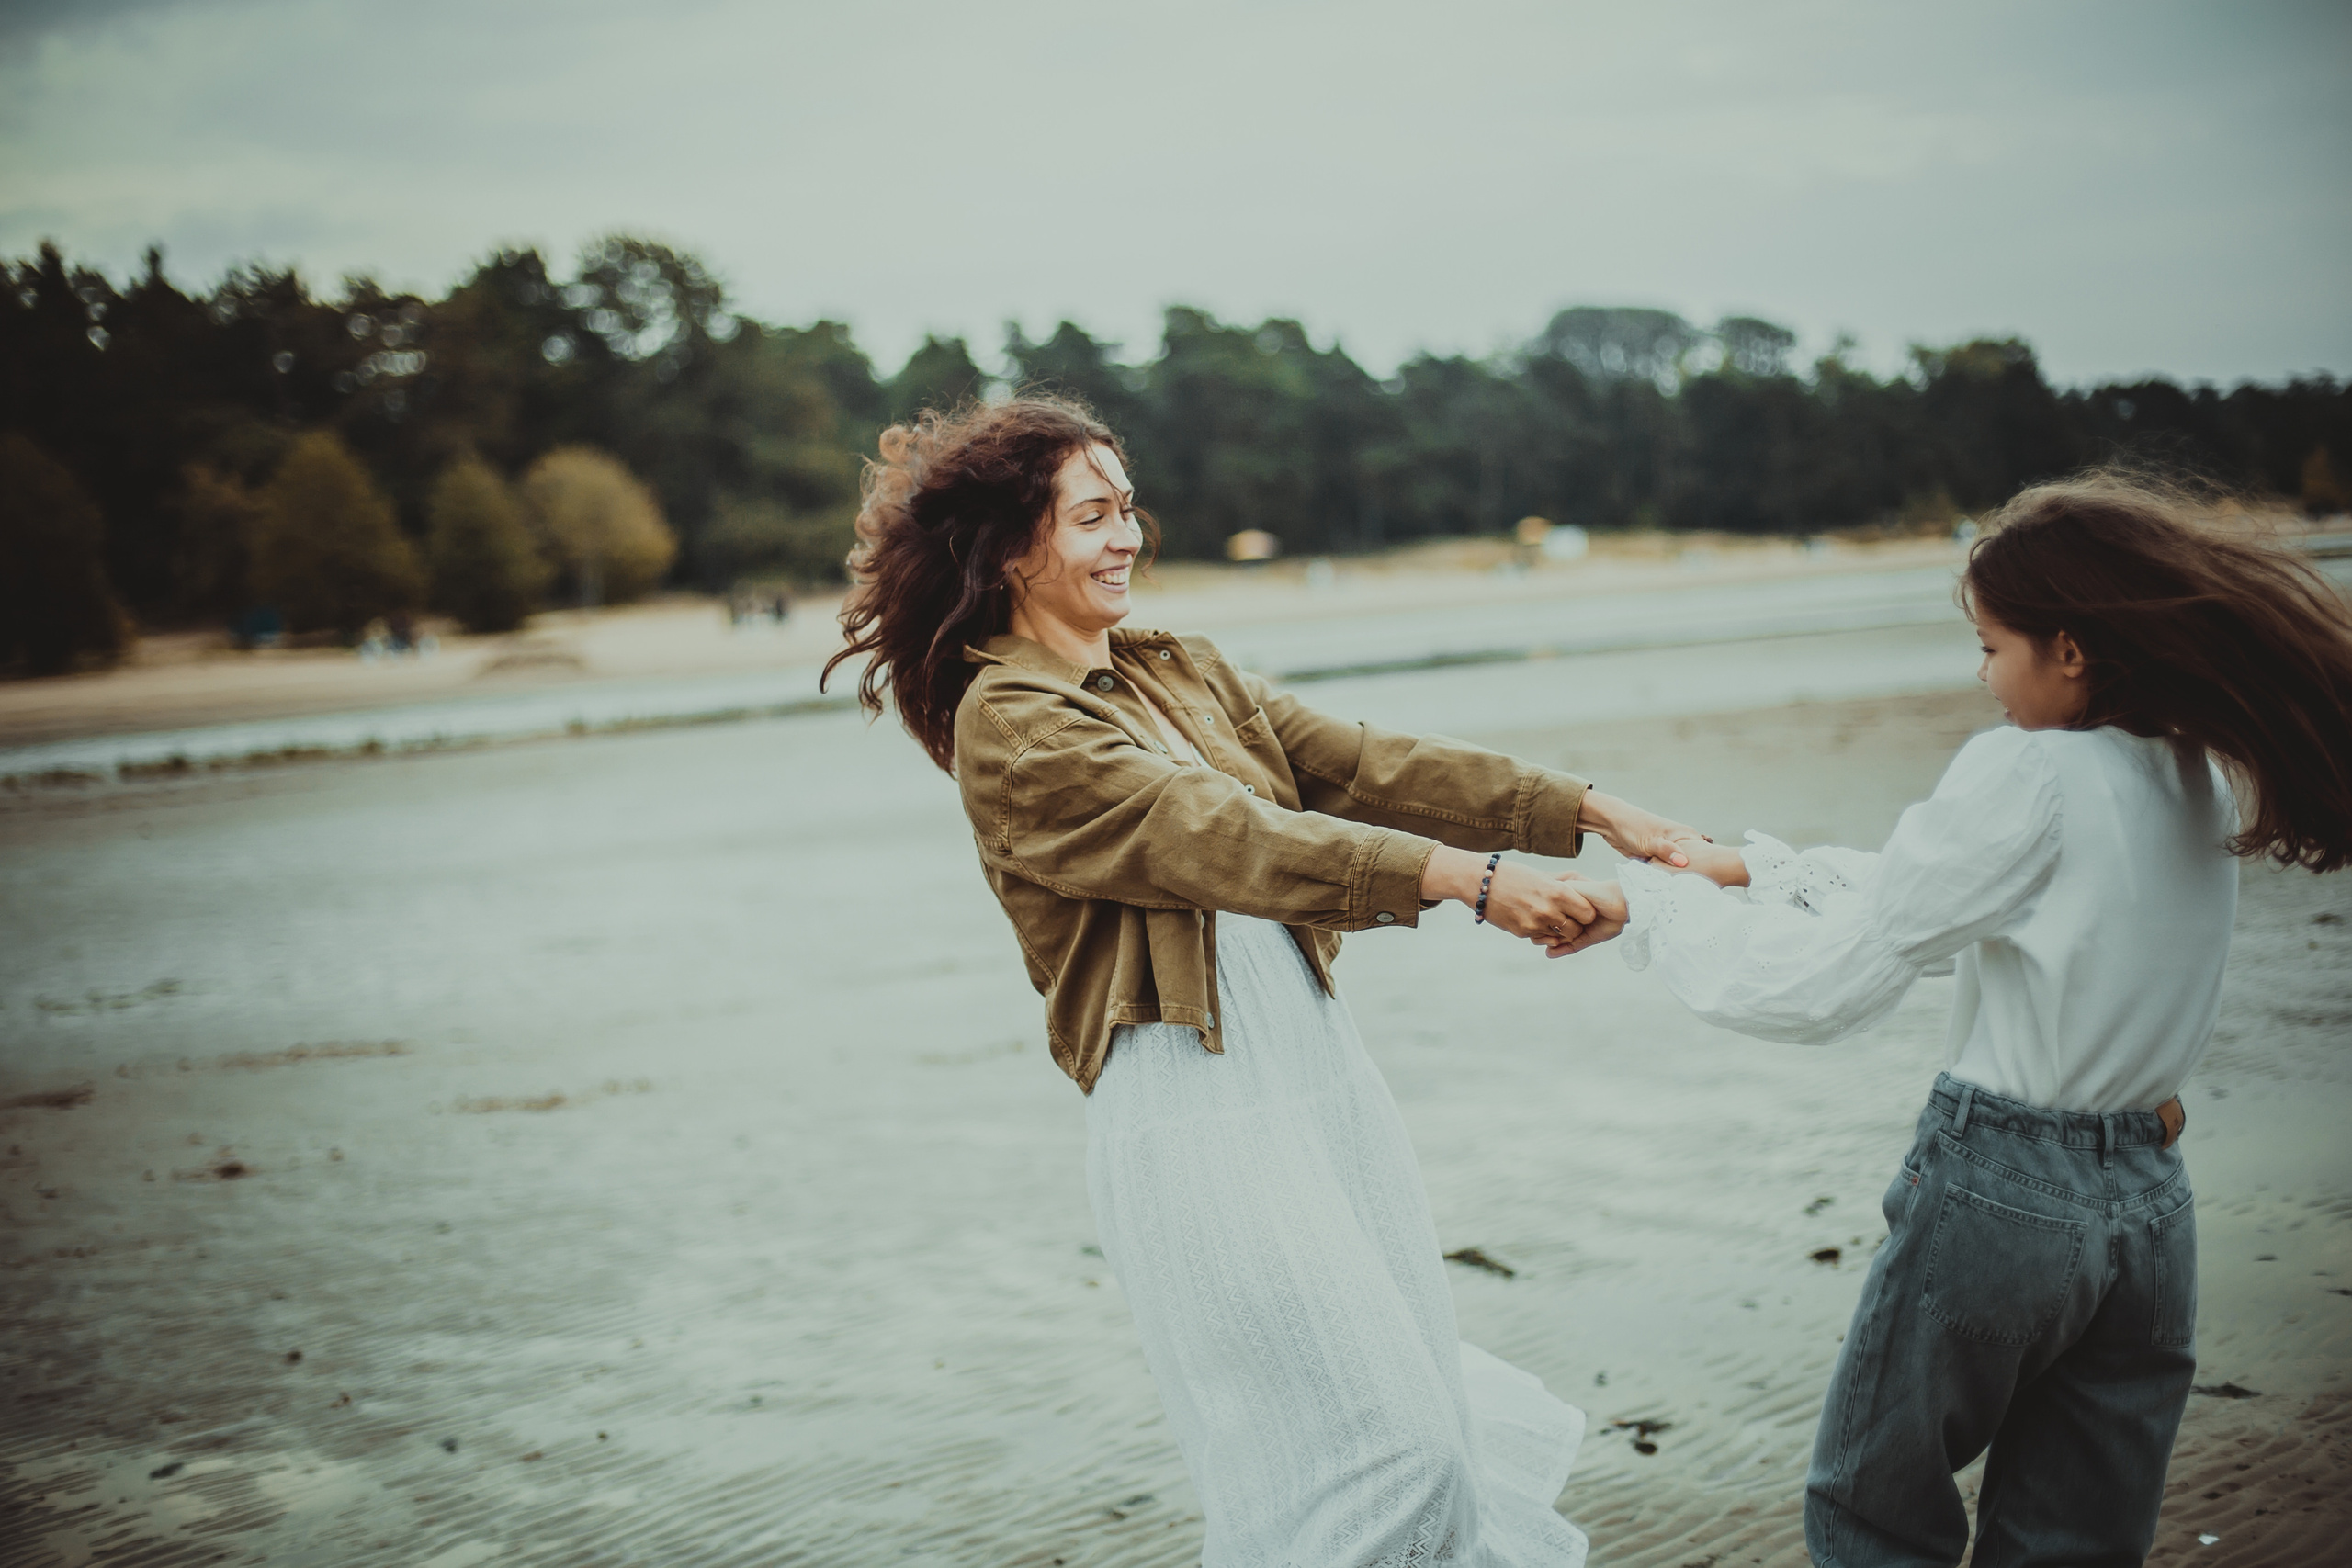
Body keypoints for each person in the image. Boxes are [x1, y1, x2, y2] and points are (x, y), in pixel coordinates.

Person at [824, 395, 1705, 1566]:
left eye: (1127, 507)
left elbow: (1363, 765)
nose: (1127, 536)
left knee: (1429, 1426)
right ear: (1008, 551)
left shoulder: (1175, 668)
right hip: (1193, 1108)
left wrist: (1587, 809)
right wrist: (1469, 883)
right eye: (1090, 516)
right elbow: (1222, 836)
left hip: (1319, 1078)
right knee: (1392, 1456)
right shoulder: (1015, 727)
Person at [1549, 472, 2352, 1566]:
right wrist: (1738, 869)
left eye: (1989, 646)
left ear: (2068, 649)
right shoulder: (2190, 771)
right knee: (2076, 1537)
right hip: (2151, 1205)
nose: (1980, 675)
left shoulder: (2028, 768)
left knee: (1872, 1515)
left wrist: (1655, 906)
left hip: (2002, 1196)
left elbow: (1823, 984)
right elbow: (1944, 901)